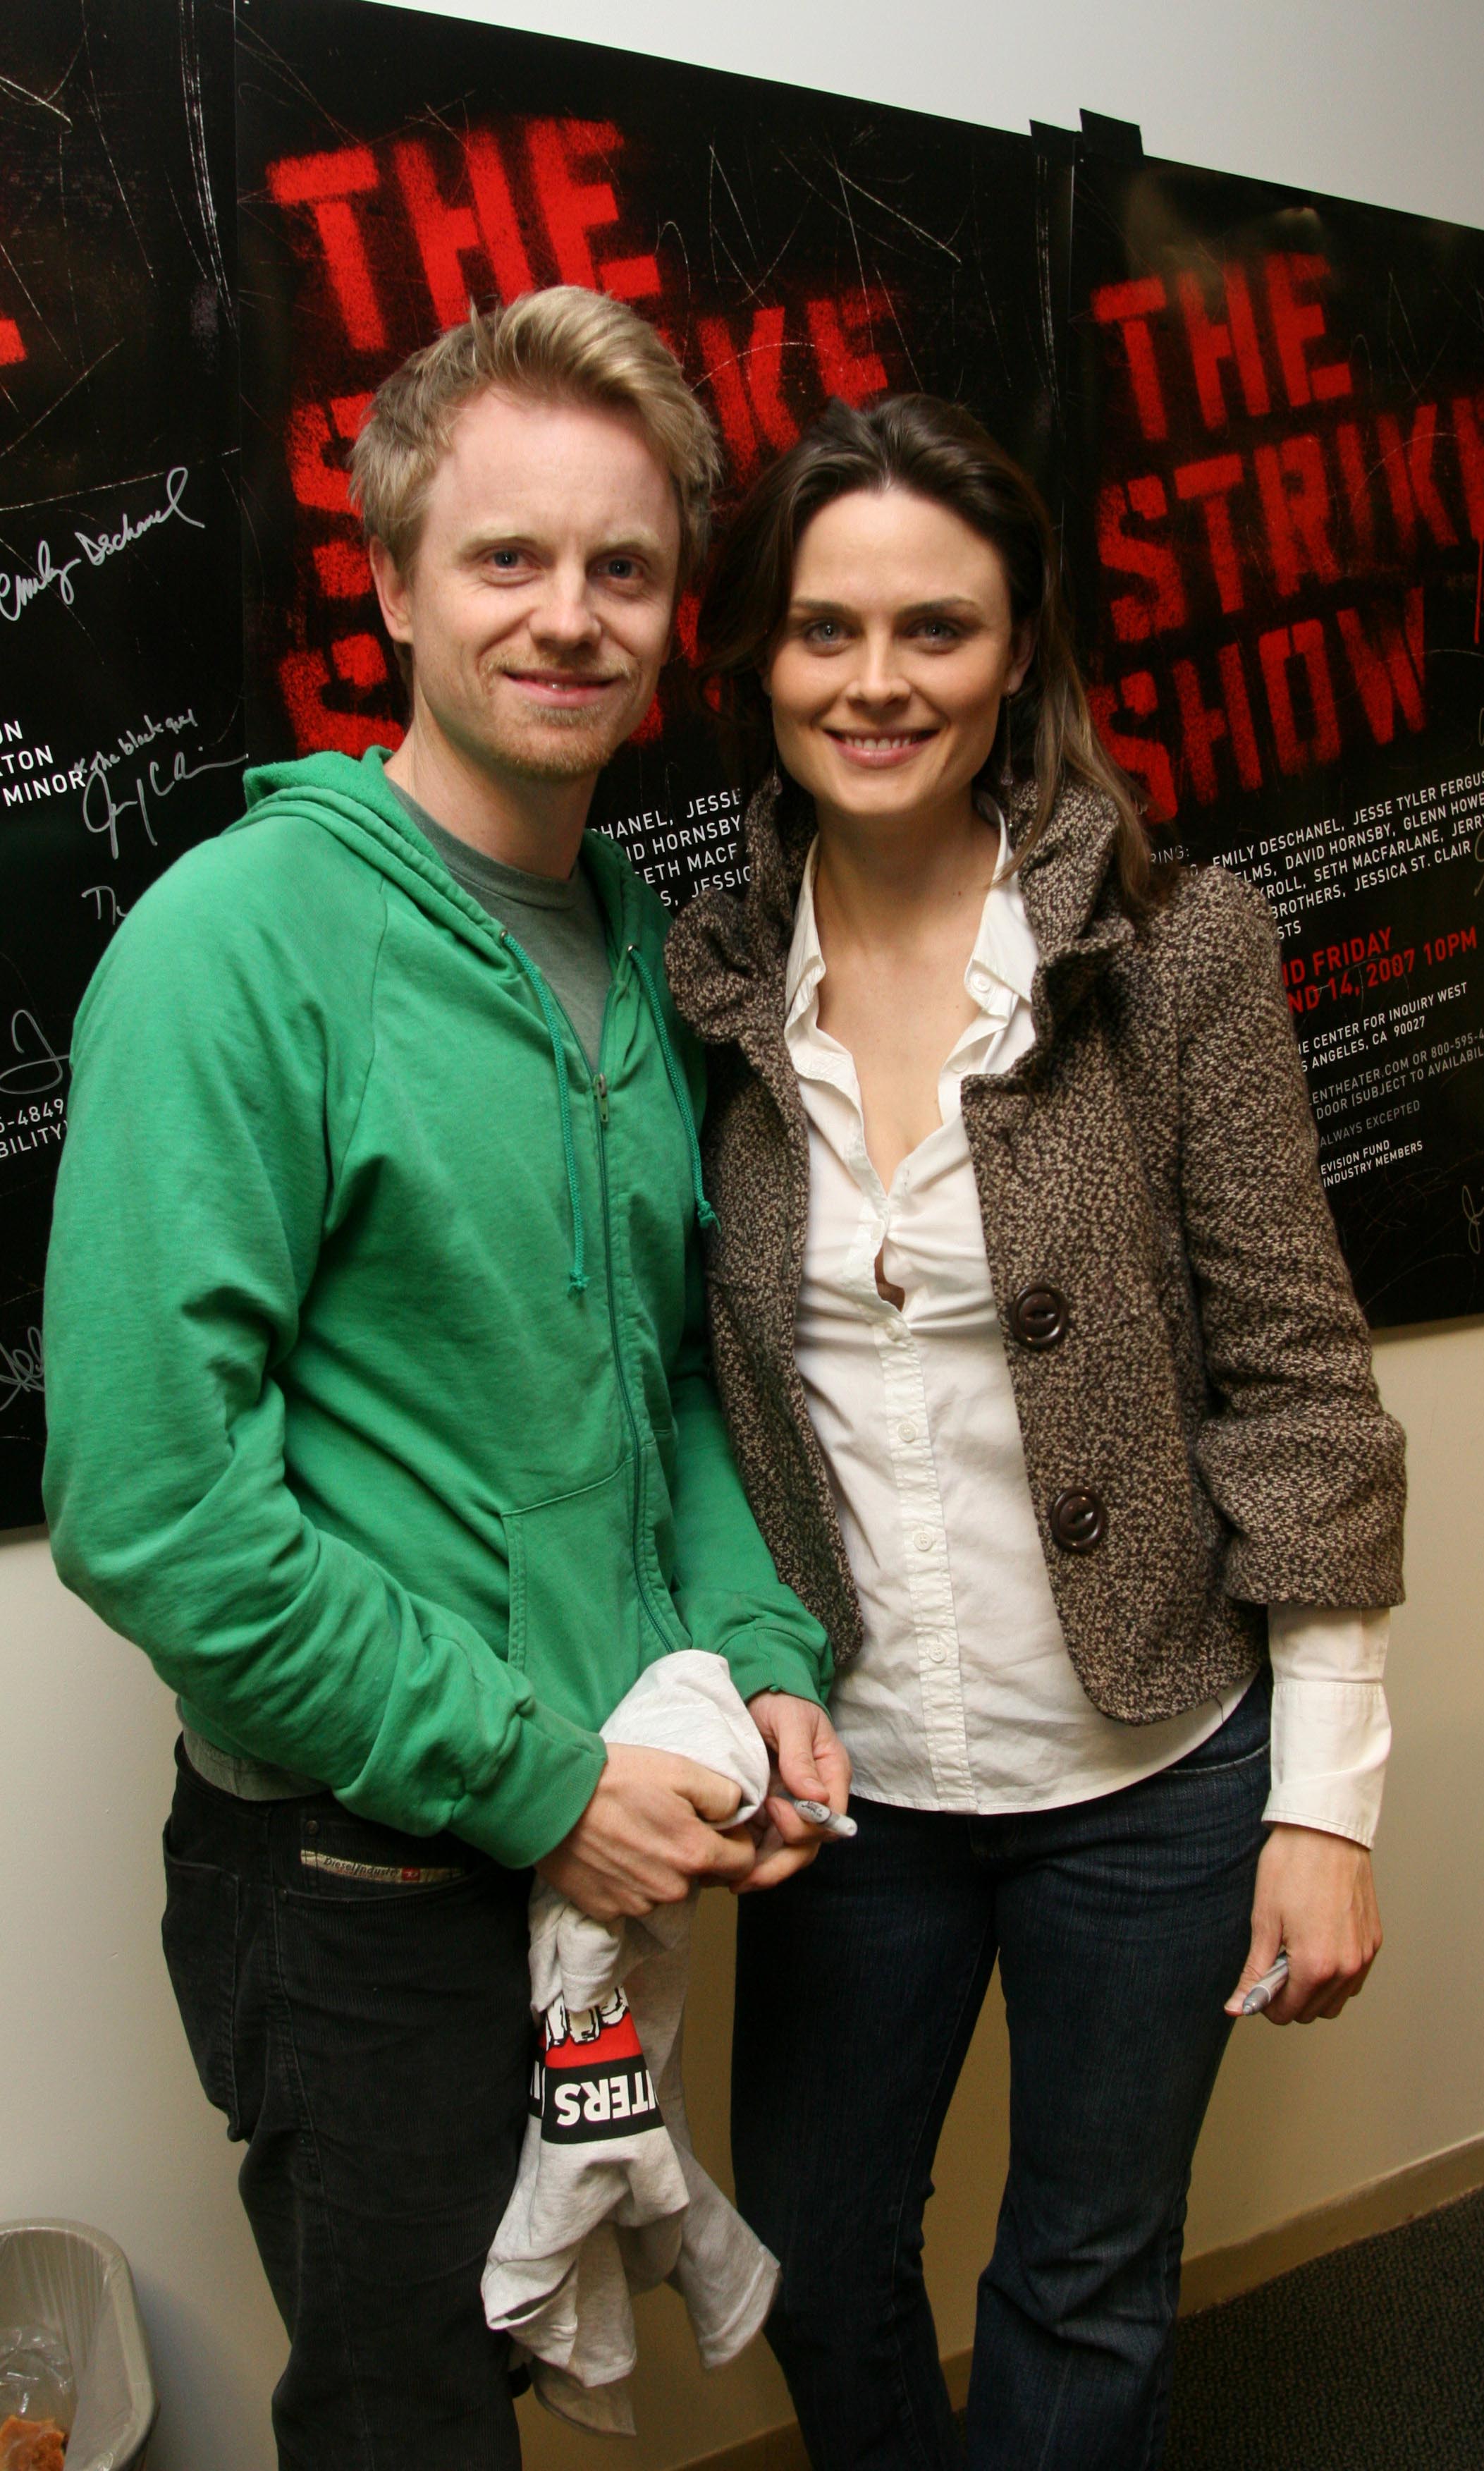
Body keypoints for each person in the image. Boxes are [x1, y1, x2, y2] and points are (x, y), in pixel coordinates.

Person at [42, 287, 847, 2471]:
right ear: (390, 579)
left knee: (520, 2360)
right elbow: (154, 1509)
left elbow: (660, 1383)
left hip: (584, 1857)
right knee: (409, 2418)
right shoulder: (237, 945)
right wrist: (531, 1786)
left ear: (678, 609)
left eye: (623, 568)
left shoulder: (631, 950)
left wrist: (758, 1655)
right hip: (368, 1885)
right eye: (505, 559)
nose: (567, 618)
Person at [665, 393, 1406, 2471]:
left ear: (1019, 657)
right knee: (815, 2257)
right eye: (826, 631)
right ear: (761, 662)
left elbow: (1299, 1380)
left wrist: (1327, 1805)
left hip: (1155, 1770)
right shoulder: (698, 988)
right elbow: (669, 1390)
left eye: (937, 629)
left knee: (1086, 2276)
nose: (878, 682)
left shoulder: (1174, 953)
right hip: (853, 1783)